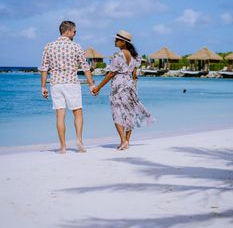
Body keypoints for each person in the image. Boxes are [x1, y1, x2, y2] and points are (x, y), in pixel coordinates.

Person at [38, 20, 95, 154]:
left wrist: (43, 87)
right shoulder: (76, 47)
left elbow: (44, 68)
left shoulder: (49, 46)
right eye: (74, 31)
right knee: (77, 112)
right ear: (68, 31)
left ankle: (63, 147)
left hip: (56, 84)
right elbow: (85, 67)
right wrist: (91, 84)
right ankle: (79, 140)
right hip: (71, 83)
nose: (75, 34)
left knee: (60, 115)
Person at [93, 30, 153, 150]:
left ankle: (123, 140)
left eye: (117, 40)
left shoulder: (118, 55)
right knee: (129, 112)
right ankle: (127, 141)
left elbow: (111, 73)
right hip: (130, 84)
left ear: (123, 42)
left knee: (117, 113)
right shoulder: (135, 56)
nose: (115, 41)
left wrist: (98, 87)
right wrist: (132, 83)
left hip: (118, 85)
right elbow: (135, 74)